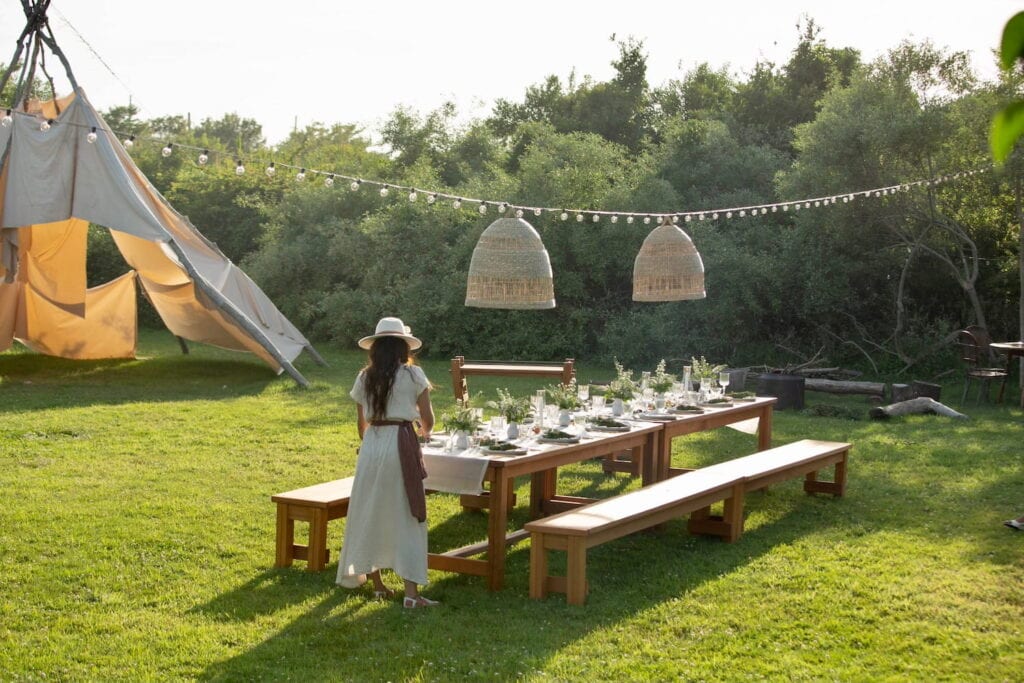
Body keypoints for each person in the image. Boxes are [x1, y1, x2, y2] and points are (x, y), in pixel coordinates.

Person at [336, 317, 438, 608]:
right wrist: (424, 435)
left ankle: (378, 585)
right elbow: (427, 419)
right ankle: (411, 593)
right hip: (400, 442)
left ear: (376, 349)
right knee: (405, 512)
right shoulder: (413, 375)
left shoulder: (364, 377)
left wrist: (371, 446)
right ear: (403, 347)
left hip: (372, 447)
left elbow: (361, 426)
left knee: (372, 510)